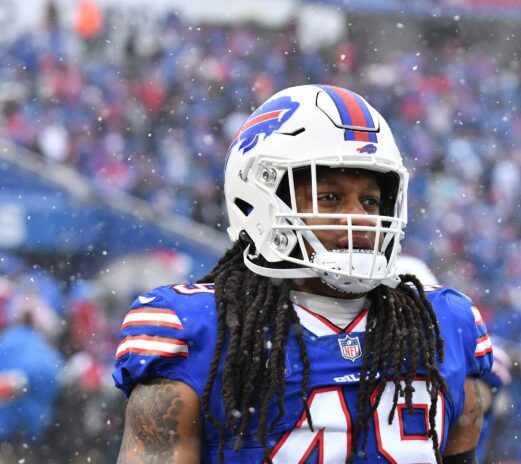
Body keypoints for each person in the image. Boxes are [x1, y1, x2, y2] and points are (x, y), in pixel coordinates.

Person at [113, 85, 492, 463]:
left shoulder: (443, 326)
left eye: (370, 200)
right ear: (258, 200)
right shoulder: (200, 329)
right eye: (330, 197)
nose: (360, 218)